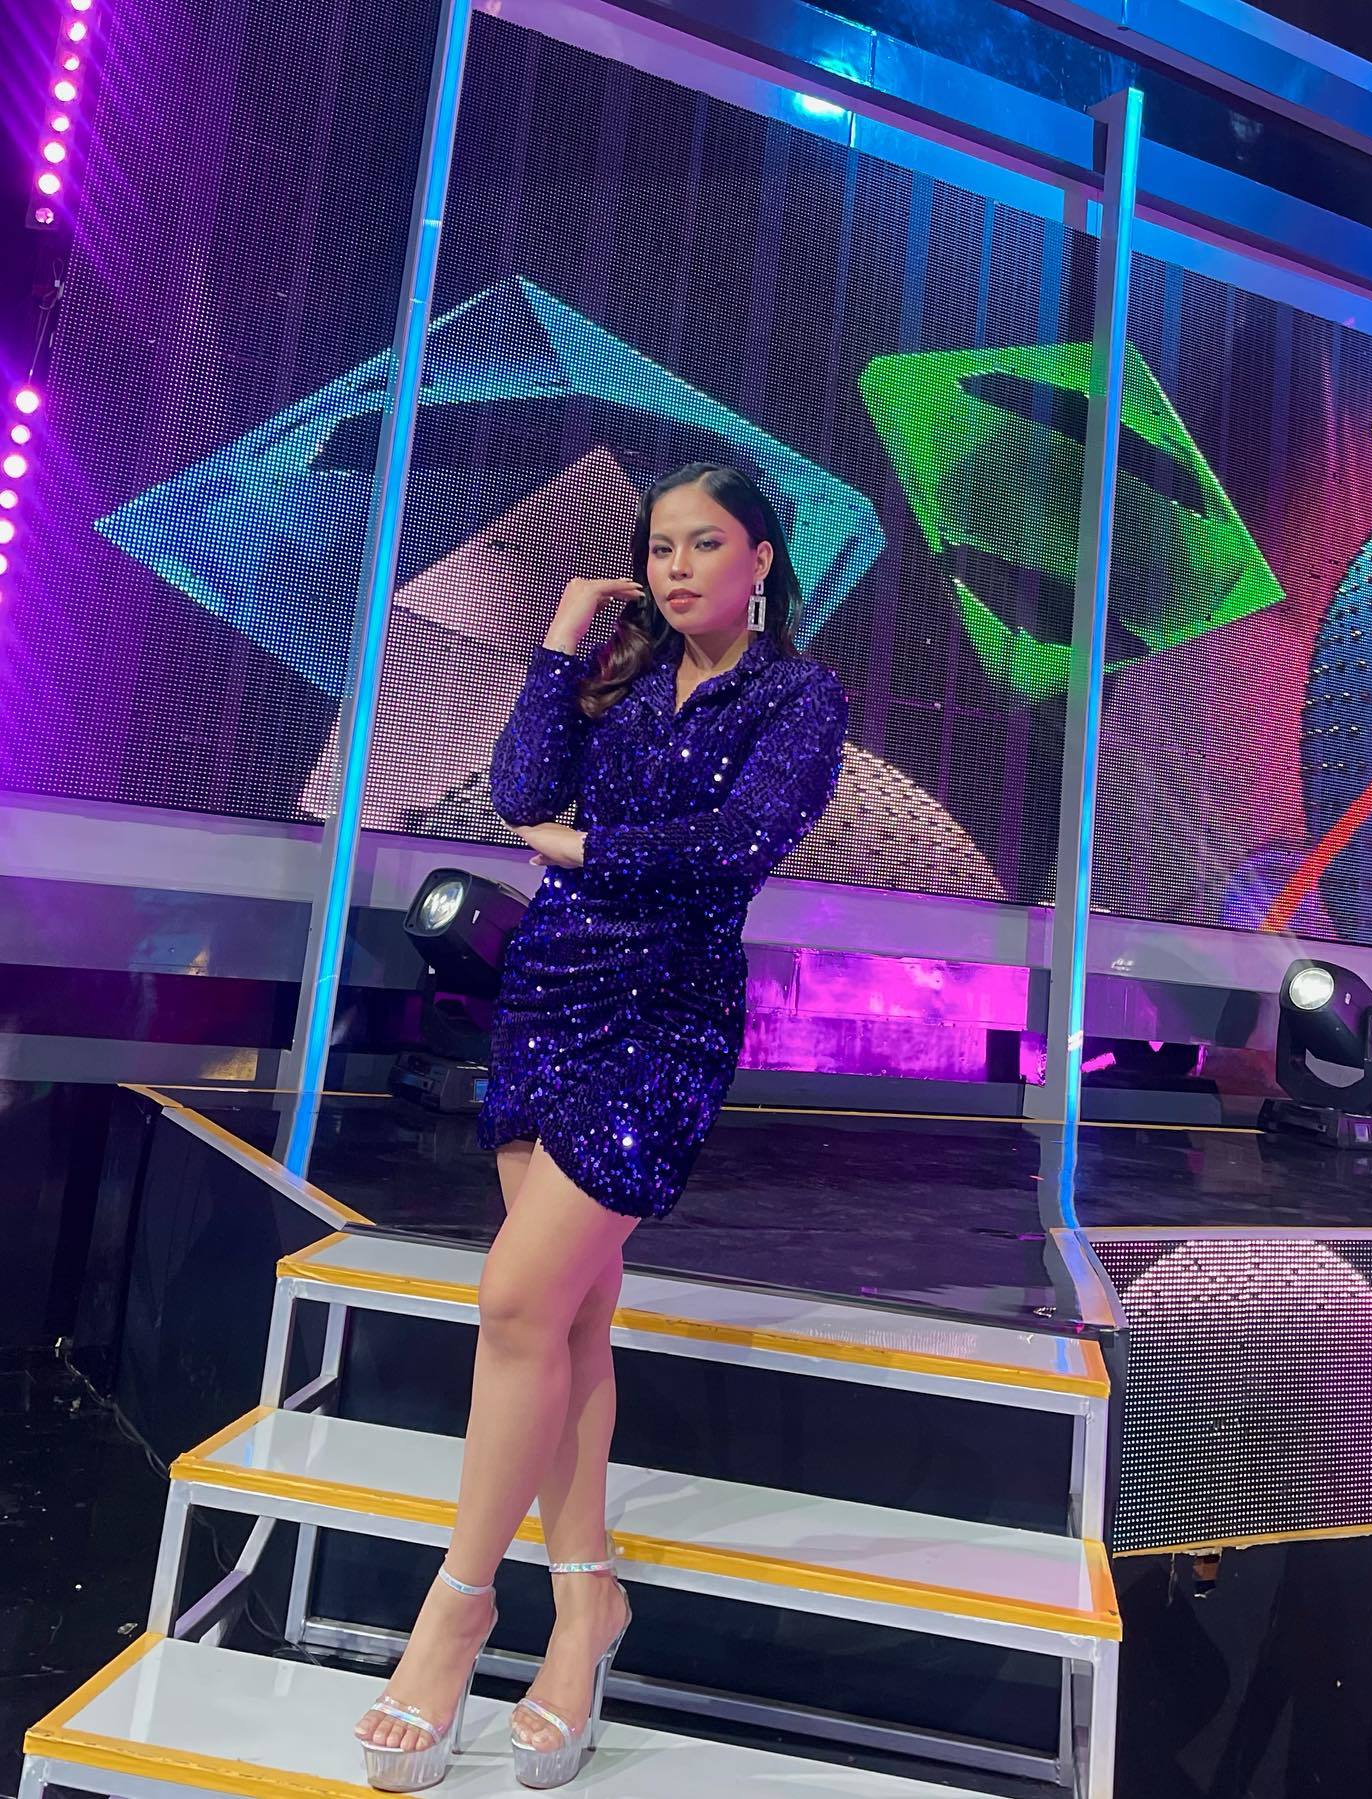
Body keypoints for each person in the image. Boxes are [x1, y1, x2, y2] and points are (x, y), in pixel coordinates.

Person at [354, 462, 849, 1790]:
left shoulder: (799, 696)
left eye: (706, 544)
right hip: (550, 994)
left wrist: (585, 850)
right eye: (660, 547)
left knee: (516, 1301)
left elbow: (739, 845)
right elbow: (521, 788)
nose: (679, 567)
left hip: (664, 1016)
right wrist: (560, 637)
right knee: (567, 1320)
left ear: (761, 558)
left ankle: (457, 1612)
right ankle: (586, 1609)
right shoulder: (619, 676)